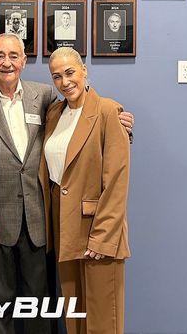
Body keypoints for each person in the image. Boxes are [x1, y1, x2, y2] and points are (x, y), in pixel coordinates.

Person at [0, 35, 134, 334]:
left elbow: (85, 123)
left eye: (14, 55)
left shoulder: (45, 96)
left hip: (40, 223)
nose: (6, 62)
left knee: (42, 311)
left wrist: (120, 123)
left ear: (24, 61)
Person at [40, 47, 131, 334]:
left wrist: (103, 237)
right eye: (57, 76)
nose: (65, 82)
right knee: (75, 319)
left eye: (70, 73)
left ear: (84, 71)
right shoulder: (54, 113)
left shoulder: (108, 111)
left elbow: (116, 181)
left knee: (103, 321)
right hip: (65, 229)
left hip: (98, 230)